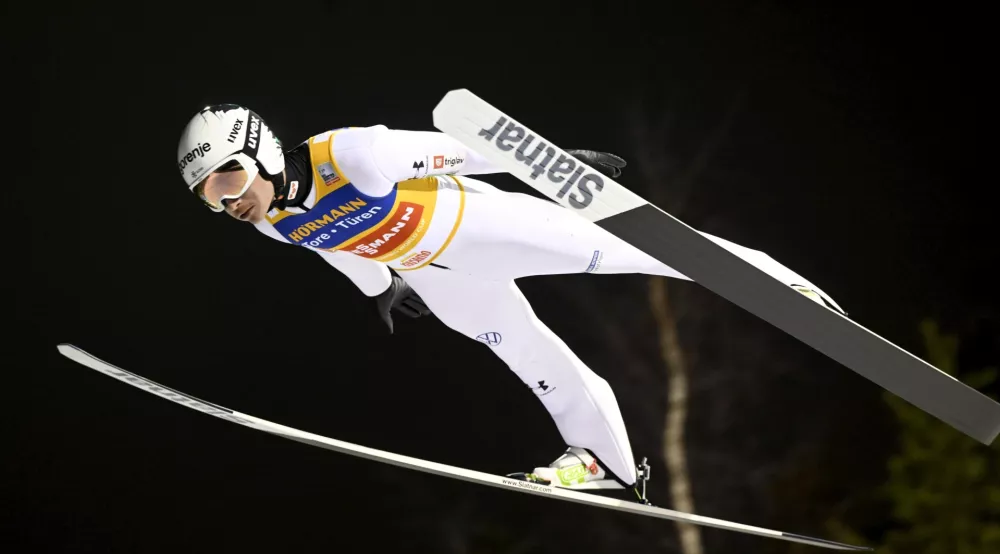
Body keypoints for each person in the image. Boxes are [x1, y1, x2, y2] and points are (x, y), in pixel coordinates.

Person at [176, 104, 845, 495]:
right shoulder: (271, 220)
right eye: (210, 194)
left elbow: (452, 151)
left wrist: (551, 161)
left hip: (479, 227)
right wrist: (384, 288)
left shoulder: (351, 154)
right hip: (437, 277)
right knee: (530, 357)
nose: (229, 199)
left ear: (258, 150)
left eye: (229, 176)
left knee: (633, 248)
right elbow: (331, 245)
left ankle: (775, 280)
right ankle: (605, 463)